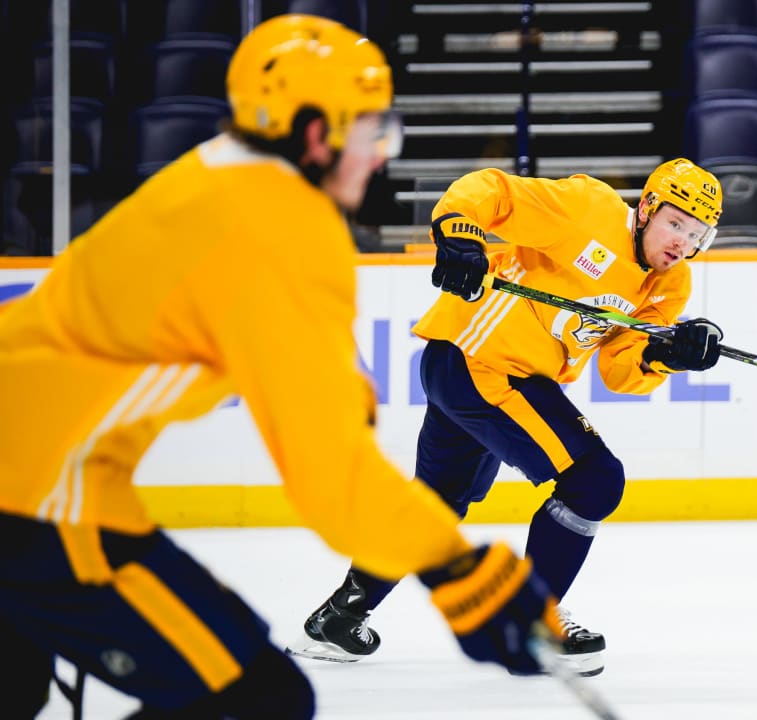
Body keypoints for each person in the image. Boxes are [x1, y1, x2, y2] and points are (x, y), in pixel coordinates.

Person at [0, 15, 564, 719]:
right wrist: (464, 573)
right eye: (370, 133)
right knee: (256, 700)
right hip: (32, 493)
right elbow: (330, 475)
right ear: (314, 133)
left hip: (30, 471)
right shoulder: (282, 226)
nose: (380, 156)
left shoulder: (220, 171)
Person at [287, 158, 725, 676]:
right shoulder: (588, 209)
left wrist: (667, 355)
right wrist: (459, 234)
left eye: (698, 235)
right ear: (648, 207)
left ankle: (338, 619)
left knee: (437, 504)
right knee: (595, 479)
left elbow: (621, 369)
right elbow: (492, 190)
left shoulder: (667, 286)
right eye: (675, 223)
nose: (682, 242)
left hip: (477, 371)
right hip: (479, 363)